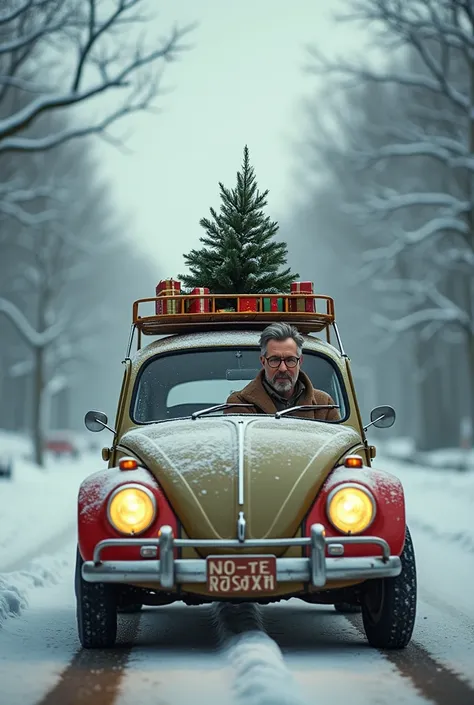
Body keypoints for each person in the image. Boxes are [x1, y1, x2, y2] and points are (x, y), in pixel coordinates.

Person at [226, 322, 340, 420]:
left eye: (290, 360)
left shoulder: (324, 405)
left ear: (300, 361)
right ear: (263, 361)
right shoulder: (240, 403)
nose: (282, 368)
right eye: (274, 360)